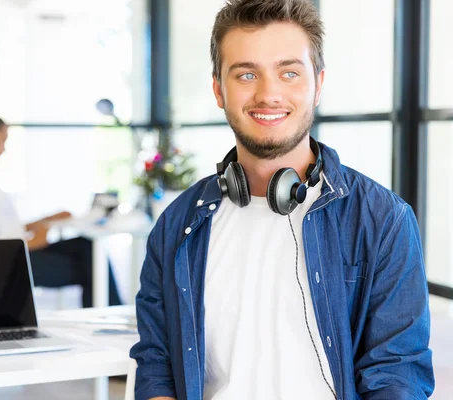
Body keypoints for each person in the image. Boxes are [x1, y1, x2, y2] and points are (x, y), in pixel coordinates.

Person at [129, 1, 434, 399]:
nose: (268, 93)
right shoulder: (176, 224)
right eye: (246, 74)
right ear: (219, 89)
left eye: (289, 72)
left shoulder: (382, 220)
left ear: (318, 85)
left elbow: (397, 376)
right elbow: (157, 362)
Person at [0, 107, 122, 308]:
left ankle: (109, 311)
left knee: (88, 246)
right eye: (2, 140)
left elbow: (3, 228)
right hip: (8, 261)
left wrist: (46, 220)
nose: (4, 148)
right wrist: (32, 242)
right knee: (92, 267)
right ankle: (109, 314)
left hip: (20, 248)